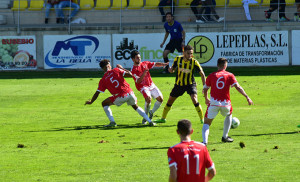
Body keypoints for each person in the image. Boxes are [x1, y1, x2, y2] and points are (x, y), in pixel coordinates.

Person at [85, 59, 156, 127]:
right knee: (135, 106)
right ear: (108, 66)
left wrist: (91, 101)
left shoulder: (103, 80)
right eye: (110, 65)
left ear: (103, 68)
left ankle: (112, 122)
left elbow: (97, 93)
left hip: (120, 96)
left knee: (104, 103)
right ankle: (149, 121)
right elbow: (130, 75)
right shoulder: (116, 70)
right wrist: (122, 68)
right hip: (130, 93)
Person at [202, 57, 253, 145]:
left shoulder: (211, 75)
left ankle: (205, 142)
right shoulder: (230, 75)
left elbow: (205, 89)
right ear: (226, 66)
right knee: (229, 114)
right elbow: (238, 87)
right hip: (225, 104)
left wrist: (206, 98)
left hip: (213, 103)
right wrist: (247, 97)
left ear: (217, 65)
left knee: (206, 123)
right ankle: (225, 136)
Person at [154, 45, 206, 124]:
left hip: (190, 84)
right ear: (183, 52)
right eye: (188, 53)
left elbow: (202, 74)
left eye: (191, 53)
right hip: (179, 85)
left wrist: (204, 87)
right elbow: (173, 69)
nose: (190, 55)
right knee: (170, 101)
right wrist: (170, 70)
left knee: (194, 99)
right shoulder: (177, 59)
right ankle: (163, 118)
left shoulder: (194, 62)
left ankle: (202, 119)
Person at [130, 50, 169, 124]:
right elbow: (138, 81)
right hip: (142, 87)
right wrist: (144, 73)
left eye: (140, 57)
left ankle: (151, 112)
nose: (139, 59)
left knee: (160, 99)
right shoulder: (133, 70)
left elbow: (155, 64)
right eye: (137, 58)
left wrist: (163, 64)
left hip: (151, 85)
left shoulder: (145, 63)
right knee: (148, 99)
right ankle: (145, 117)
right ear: (133, 59)